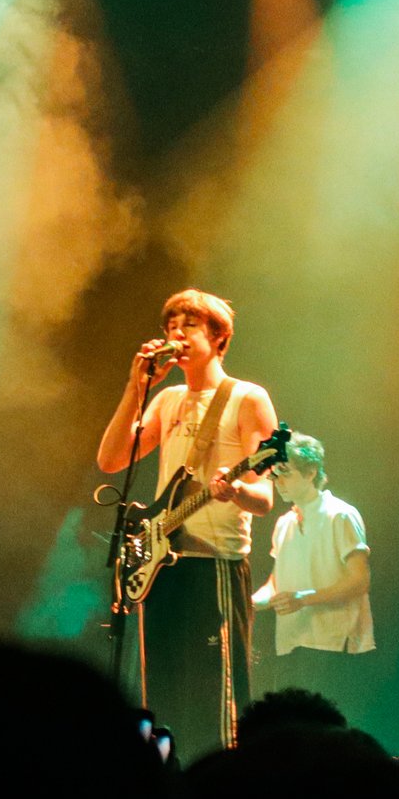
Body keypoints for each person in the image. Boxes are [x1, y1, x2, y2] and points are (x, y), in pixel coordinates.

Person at [95, 289, 277, 755]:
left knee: (216, 697)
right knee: (164, 695)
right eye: (170, 325)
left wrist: (236, 489)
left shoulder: (247, 398)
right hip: (161, 565)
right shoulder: (167, 399)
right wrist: (137, 387)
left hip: (214, 563)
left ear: (219, 339)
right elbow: (111, 459)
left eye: (189, 325)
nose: (176, 333)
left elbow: (264, 498)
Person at [252, 434, 375, 721]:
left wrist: (304, 599)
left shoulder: (340, 515)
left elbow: (359, 580)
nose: (277, 481)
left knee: (328, 732)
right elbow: (276, 582)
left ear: (310, 473)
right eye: (274, 475)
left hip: (332, 645)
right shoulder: (283, 524)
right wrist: (250, 602)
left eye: (284, 473)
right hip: (292, 643)